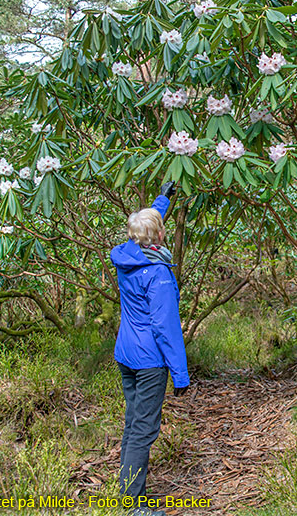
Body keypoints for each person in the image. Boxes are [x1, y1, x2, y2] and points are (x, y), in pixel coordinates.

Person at [110, 182, 189, 516]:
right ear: (157, 237)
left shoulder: (128, 254)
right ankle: (132, 508)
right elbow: (166, 328)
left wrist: (163, 197)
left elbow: (150, 219)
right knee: (143, 430)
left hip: (126, 353)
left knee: (132, 424)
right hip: (149, 361)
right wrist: (181, 375)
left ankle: (131, 496)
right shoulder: (157, 273)